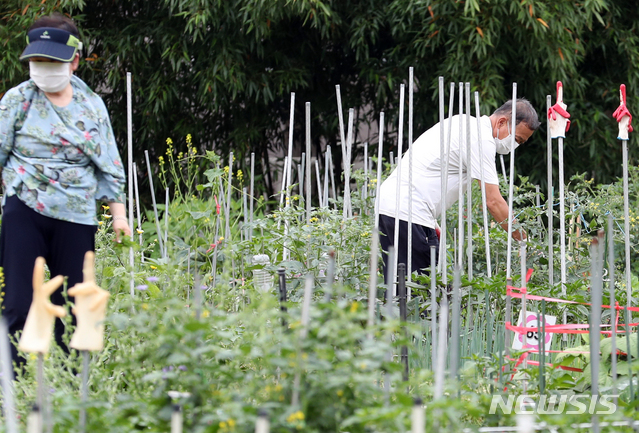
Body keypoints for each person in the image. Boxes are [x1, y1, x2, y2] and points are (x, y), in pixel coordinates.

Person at [0, 13, 130, 368]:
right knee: (19, 301)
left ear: (74, 60)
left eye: (52, 61)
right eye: (37, 61)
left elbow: (109, 164)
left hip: (76, 212)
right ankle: (11, 387)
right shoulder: (17, 101)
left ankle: (71, 381)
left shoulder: (91, 106)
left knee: (74, 299)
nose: (43, 68)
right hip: (24, 205)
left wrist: (118, 215)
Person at [377, 98, 540, 278]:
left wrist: (430, 223)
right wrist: (524, 240)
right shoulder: (480, 138)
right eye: (517, 139)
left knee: (401, 289)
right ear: (501, 122)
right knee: (420, 293)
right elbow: (493, 201)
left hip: (396, 208)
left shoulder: (463, 122)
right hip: (409, 212)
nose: (515, 145)